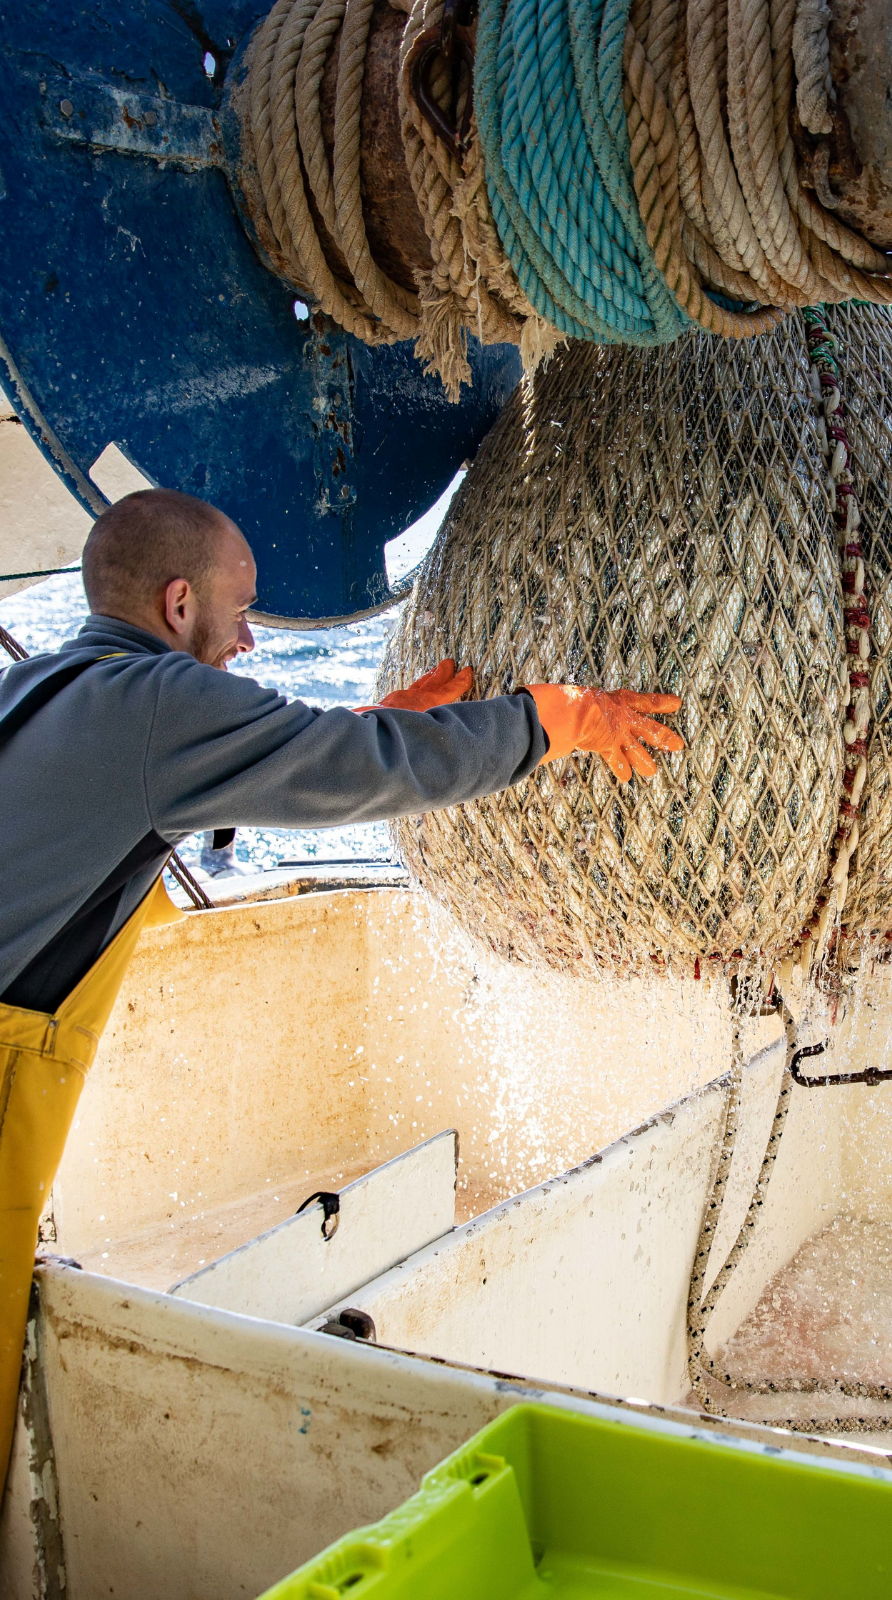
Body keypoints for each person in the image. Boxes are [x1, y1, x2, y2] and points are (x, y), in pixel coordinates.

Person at [0, 487, 684, 1440]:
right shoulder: (155, 704)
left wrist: (372, 716)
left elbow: (192, 772)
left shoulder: (42, 690)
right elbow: (368, 769)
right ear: (179, 604)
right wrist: (556, 720)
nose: (248, 639)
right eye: (241, 611)